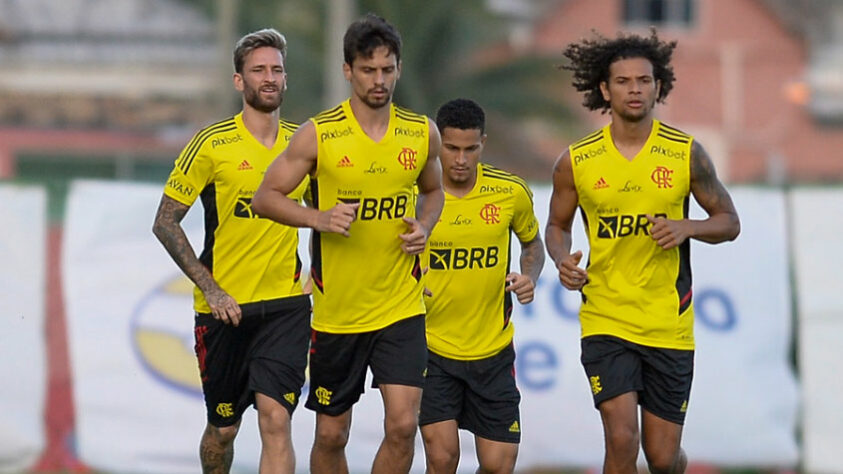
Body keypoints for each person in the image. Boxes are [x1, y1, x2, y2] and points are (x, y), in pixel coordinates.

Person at [251, 13, 444, 474]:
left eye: (387, 69)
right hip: (338, 313)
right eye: (368, 70)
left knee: (402, 426)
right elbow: (265, 198)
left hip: (401, 306)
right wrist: (318, 218)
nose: (379, 80)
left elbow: (433, 191)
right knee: (331, 435)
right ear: (348, 71)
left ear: (399, 68)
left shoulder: (421, 133)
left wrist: (425, 226)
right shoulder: (320, 134)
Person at [545, 30, 740, 473]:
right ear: (604, 90)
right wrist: (562, 260)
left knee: (662, 456)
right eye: (623, 81)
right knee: (621, 437)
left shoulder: (685, 153)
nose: (634, 89)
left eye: (643, 81)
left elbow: (729, 221)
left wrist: (688, 227)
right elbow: (557, 227)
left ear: (658, 86)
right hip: (606, 316)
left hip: (666, 321)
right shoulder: (576, 160)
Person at [151, 28, 310, 474]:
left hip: (285, 305)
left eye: (276, 69)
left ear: (285, 79)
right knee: (224, 430)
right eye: (258, 70)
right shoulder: (211, 144)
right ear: (239, 81)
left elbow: (330, 215)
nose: (269, 77)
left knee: (276, 420)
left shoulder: (305, 144)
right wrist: (213, 290)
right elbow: (165, 221)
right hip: (225, 309)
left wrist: (321, 271)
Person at [418, 98, 544, 474]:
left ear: (482, 144)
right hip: (430, 348)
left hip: (492, 350)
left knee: (498, 465)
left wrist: (529, 277)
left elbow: (533, 244)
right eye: (452, 148)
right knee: (443, 460)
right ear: (438, 144)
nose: (460, 159)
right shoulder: (413, 194)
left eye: (470, 149)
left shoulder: (509, 192)